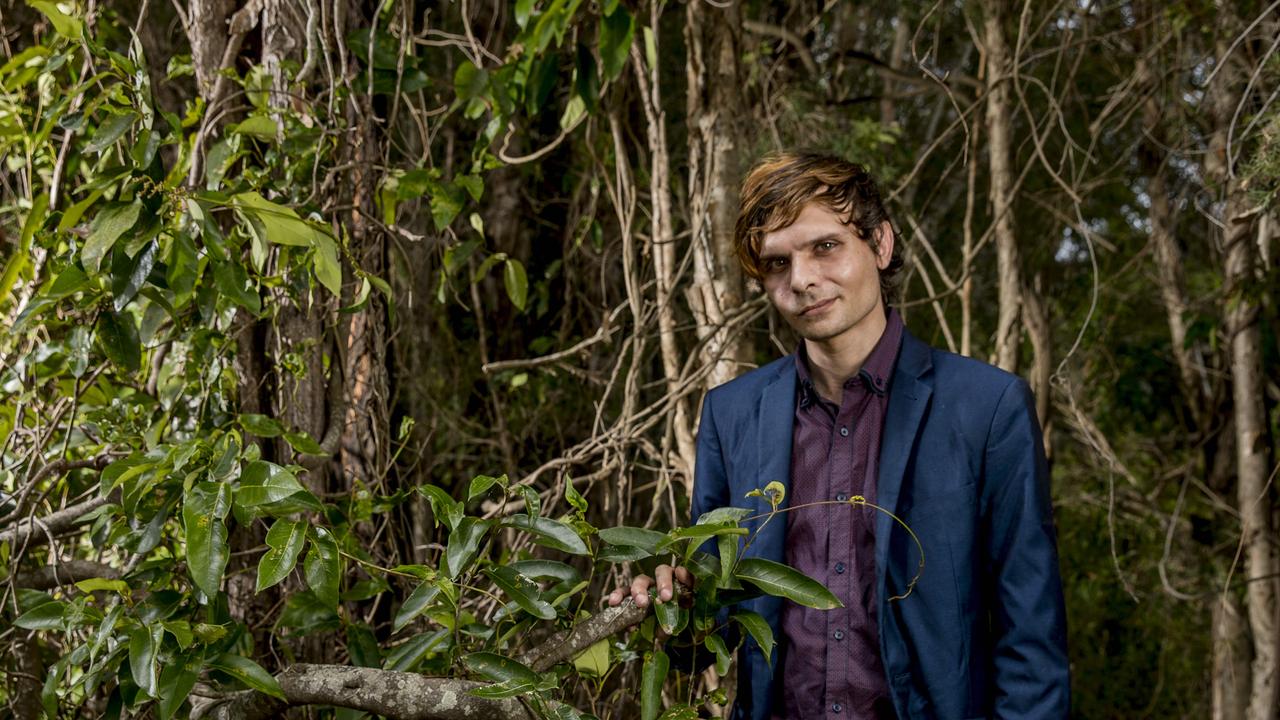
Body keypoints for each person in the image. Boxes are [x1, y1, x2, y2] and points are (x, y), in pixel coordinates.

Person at [607, 152, 1069, 719]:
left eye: (825, 246)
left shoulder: (988, 408)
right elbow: (718, 629)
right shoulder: (731, 416)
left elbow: (1032, 642)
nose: (802, 280)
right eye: (777, 263)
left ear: (880, 244)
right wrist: (670, 610)